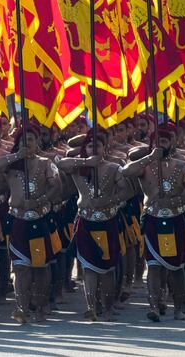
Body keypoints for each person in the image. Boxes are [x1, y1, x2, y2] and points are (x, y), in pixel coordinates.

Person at [122, 124, 185, 322]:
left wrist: (174, 201)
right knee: (154, 265)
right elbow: (126, 172)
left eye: (164, 141)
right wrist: (150, 157)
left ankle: (179, 308)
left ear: (172, 142)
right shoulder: (145, 165)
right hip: (152, 219)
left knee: (176, 267)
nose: (160, 145)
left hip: (176, 219)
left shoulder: (184, 166)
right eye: (156, 141)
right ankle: (154, 307)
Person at [0, 124, 60, 324]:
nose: (26, 143)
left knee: (40, 267)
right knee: (20, 267)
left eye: (30, 140)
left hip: (39, 220)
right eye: (22, 140)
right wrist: (16, 156)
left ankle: (41, 306)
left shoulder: (46, 163)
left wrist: (40, 201)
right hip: (18, 220)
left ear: (37, 143)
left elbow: (57, 186)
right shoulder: (11, 164)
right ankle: (21, 307)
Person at [57, 132, 134, 321]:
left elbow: (128, 190)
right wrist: (86, 163)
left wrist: (111, 200)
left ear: (104, 148)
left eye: (97, 146)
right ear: (85, 149)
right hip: (86, 220)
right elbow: (60, 163)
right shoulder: (77, 167)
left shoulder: (114, 168)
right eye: (90, 146)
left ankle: (107, 308)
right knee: (89, 268)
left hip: (108, 221)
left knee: (107, 269)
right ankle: (91, 307)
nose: (94, 149)